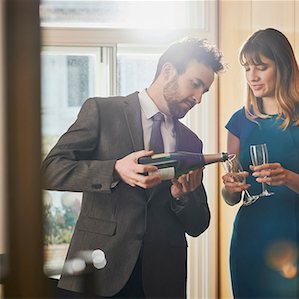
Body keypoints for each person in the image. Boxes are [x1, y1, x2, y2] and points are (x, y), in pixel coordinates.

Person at [42, 37, 225, 298]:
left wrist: (182, 197)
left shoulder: (191, 141)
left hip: (163, 280)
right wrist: (115, 170)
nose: (198, 98)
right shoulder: (102, 111)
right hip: (98, 270)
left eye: (204, 91)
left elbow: (198, 224)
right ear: (168, 71)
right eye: (195, 85)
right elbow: (50, 169)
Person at [222, 28, 299, 298]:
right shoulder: (239, 122)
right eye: (247, 68)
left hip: (295, 239)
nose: (252, 76)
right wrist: (229, 188)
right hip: (249, 238)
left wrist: (287, 177)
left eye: (261, 67)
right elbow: (231, 198)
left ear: (283, 67)